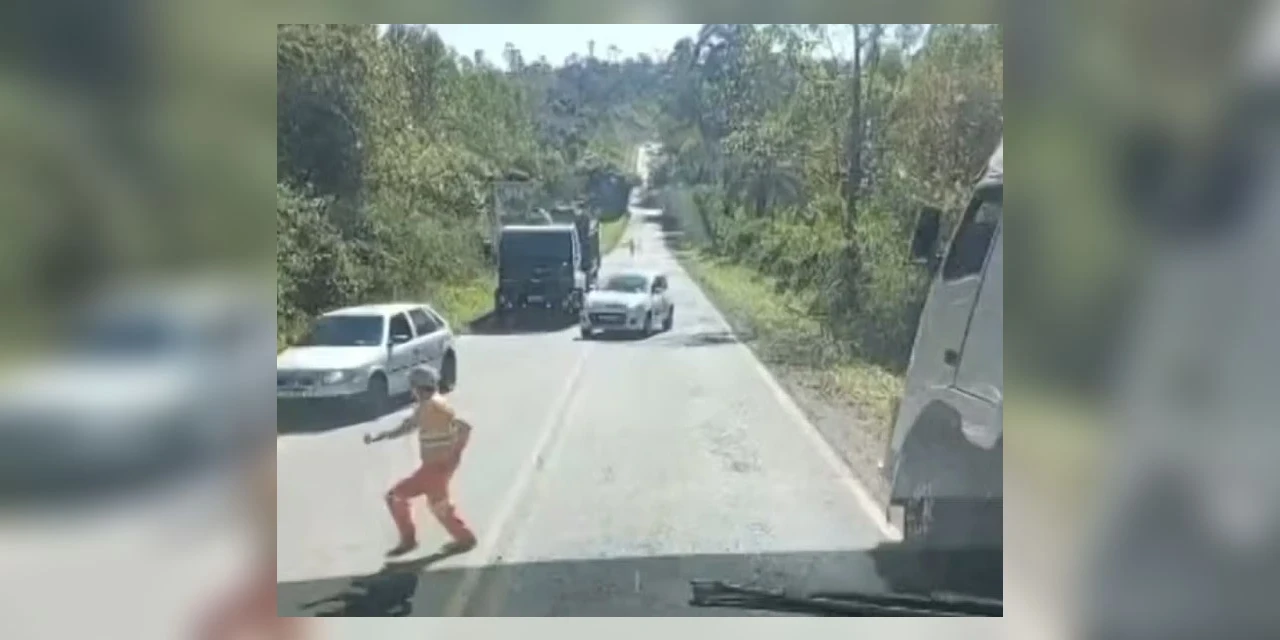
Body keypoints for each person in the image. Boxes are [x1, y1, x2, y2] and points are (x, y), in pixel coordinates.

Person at [364, 365, 476, 557]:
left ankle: (409, 540)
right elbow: (408, 426)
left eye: (412, 386)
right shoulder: (432, 405)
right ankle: (464, 538)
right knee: (438, 505)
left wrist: (455, 453)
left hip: (434, 468)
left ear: (417, 387)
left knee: (396, 496)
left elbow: (464, 426)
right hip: (437, 467)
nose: (411, 391)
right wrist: (380, 436)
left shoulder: (433, 406)